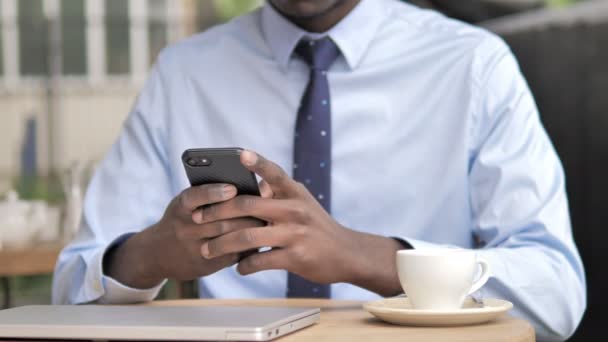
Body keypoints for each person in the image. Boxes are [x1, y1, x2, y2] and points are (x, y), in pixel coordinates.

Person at [52, 0, 585, 340]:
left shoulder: (474, 65)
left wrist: (370, 258)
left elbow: (556, 294)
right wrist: (153, 254)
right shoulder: (184, 73)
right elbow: (70, 287)